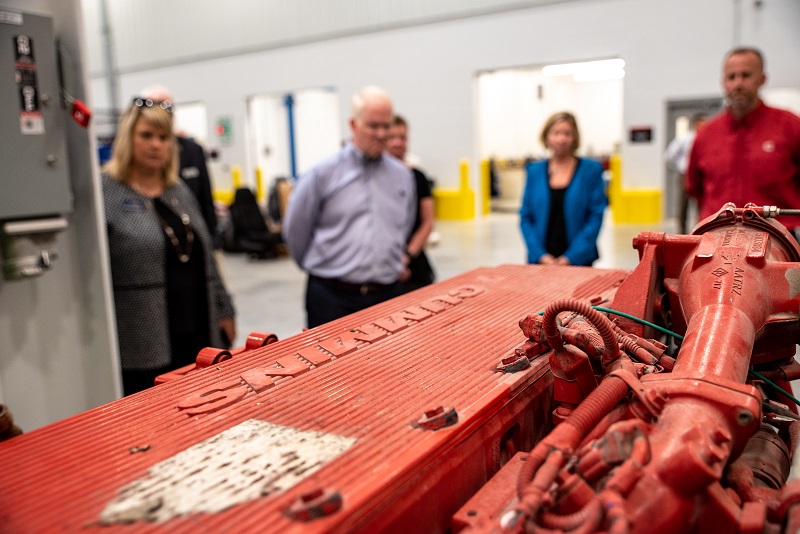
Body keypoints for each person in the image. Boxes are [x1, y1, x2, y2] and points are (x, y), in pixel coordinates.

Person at [103, 96, 236, 396]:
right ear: (127, 138)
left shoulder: (179, 191)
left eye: (163, 138)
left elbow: (207, 258)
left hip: (197, 330)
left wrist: (224, 309)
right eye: (146, 136)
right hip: (142, 341)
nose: (156, 145)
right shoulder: (106, 193)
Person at [282, 86, 416, 328]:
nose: (381, 133)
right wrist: (324, 269)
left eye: (387, 126)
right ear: (354, 125)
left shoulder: (402, 176)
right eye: (373, 126)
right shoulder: (322, 174)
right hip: (332, 298)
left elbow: (404, 224)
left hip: (387, 295)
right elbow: (295, 231)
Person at [686, 47, 800, 233]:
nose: (738, 84)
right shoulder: (706, 134)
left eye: (746, 75)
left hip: (780, 240)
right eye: (731, 77)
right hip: (716, 240)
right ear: (723, 82)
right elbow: (695, 188)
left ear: (762, 79)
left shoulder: (791, 127)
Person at [519, 111, 607, 266]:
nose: (561, 139)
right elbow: (526, 217)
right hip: (540, 262)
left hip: (579, 261)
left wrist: (570, 258)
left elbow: (595, 216)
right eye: (556, 133)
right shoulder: (534, 171)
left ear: (575, 137)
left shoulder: (591, 170)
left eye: (567, 133)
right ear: (546, 137)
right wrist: (540, 255)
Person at [140, 85, 219, 245]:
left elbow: (206, 198)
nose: (156, 145)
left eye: (167, 107)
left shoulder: (192, 150)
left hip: (193, 238)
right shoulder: (135, 158)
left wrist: (212, 240)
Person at [386, 115, 435, 293]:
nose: (398, 143)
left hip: (414, 264)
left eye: (403, 137)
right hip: (382, 266)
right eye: (392, 137)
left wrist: (406, 257)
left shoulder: (418, 177)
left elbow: (428, 222)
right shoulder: (371, 181)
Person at [665, 113, 707, 234]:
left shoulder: (707, 139)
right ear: (694, 125)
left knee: (702, 205)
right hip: (685, 174)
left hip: (702, 176)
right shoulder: (684, 139)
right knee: (683, 205)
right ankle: (682, 232)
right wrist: (679, 166)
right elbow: (670, 155)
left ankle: (701, 231)